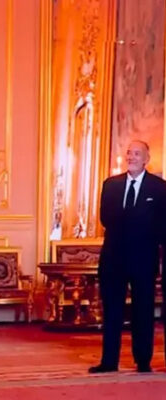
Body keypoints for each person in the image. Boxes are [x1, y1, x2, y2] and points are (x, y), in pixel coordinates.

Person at [89, 140, 166, 374]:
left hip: (144, 259)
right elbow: (106, 219)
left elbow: (161, 225)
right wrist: (137, 222)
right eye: (129, 153)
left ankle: (143, 361)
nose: (131, 157)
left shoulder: (159, 188)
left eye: (137, 154)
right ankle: (109, 361)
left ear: (146, 159)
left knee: (143, 311)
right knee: (112, 311)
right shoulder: (111, 185)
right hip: (114, 259)